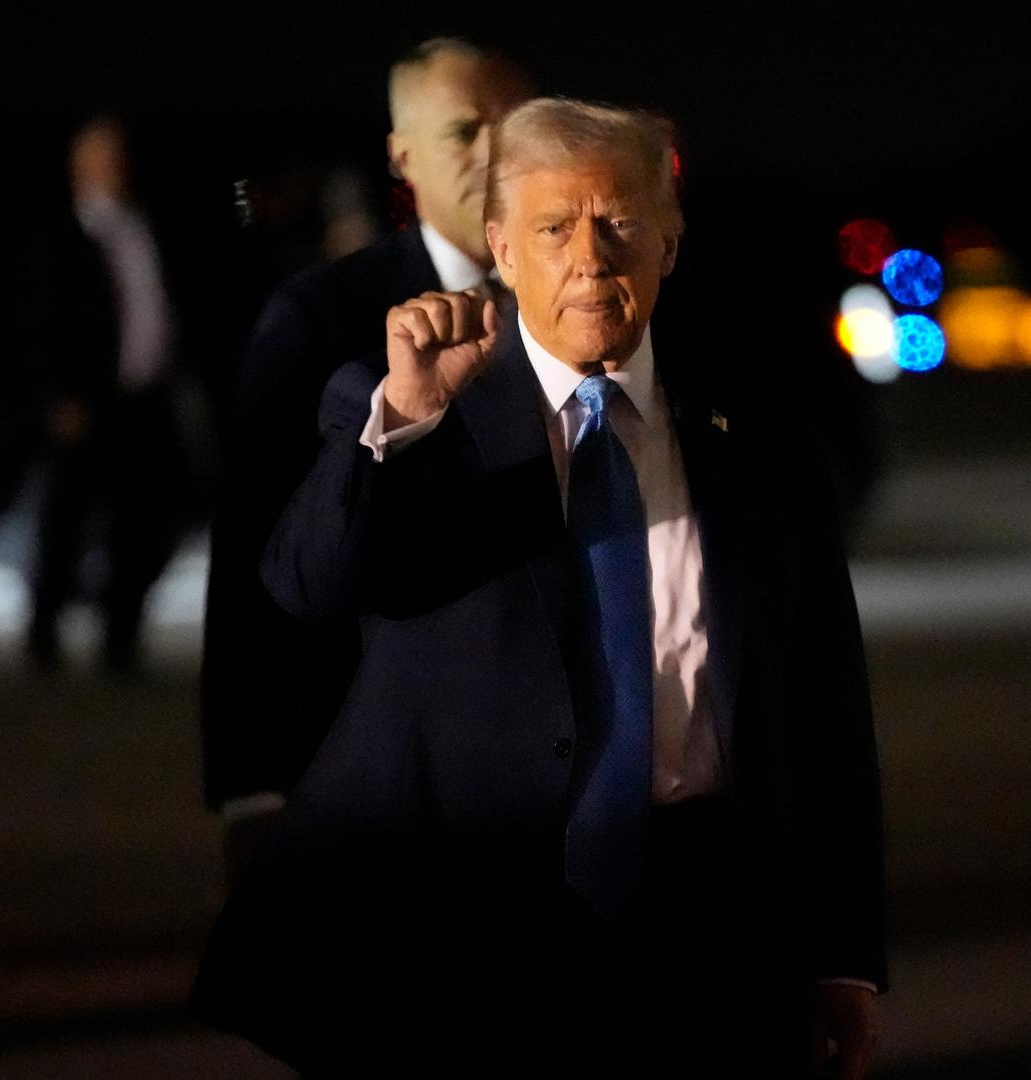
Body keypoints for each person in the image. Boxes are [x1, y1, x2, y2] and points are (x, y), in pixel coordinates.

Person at [190, 98, 887, 1078]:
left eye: (621, 224)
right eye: (555, 228)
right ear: (501, 248)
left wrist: (845, 953)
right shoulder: (417, 410)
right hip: (476, 920)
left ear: (671, 242)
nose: (591, 258)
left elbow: (825, 701)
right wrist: (401, 418)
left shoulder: (755, 433)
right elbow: (304, 587)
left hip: (712, 913)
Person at [199, 39, 532, 864]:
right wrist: (253, 784)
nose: (493, 152)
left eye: (514, 127)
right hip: (366, 777)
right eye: (464, 132)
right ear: (402, 156)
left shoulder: (586, 306)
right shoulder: (323, 316)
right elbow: (253, 556)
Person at [26, 116, 191, 674]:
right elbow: (42, 324)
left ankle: (120, 639)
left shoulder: (150, 227)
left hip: (145, 398)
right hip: (85, 403)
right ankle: (43, 637)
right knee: (65, 523)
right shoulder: (62, 236)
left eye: (118, 158)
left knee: (146, 523)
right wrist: (59, 397)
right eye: (101, 159)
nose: (113, 170)